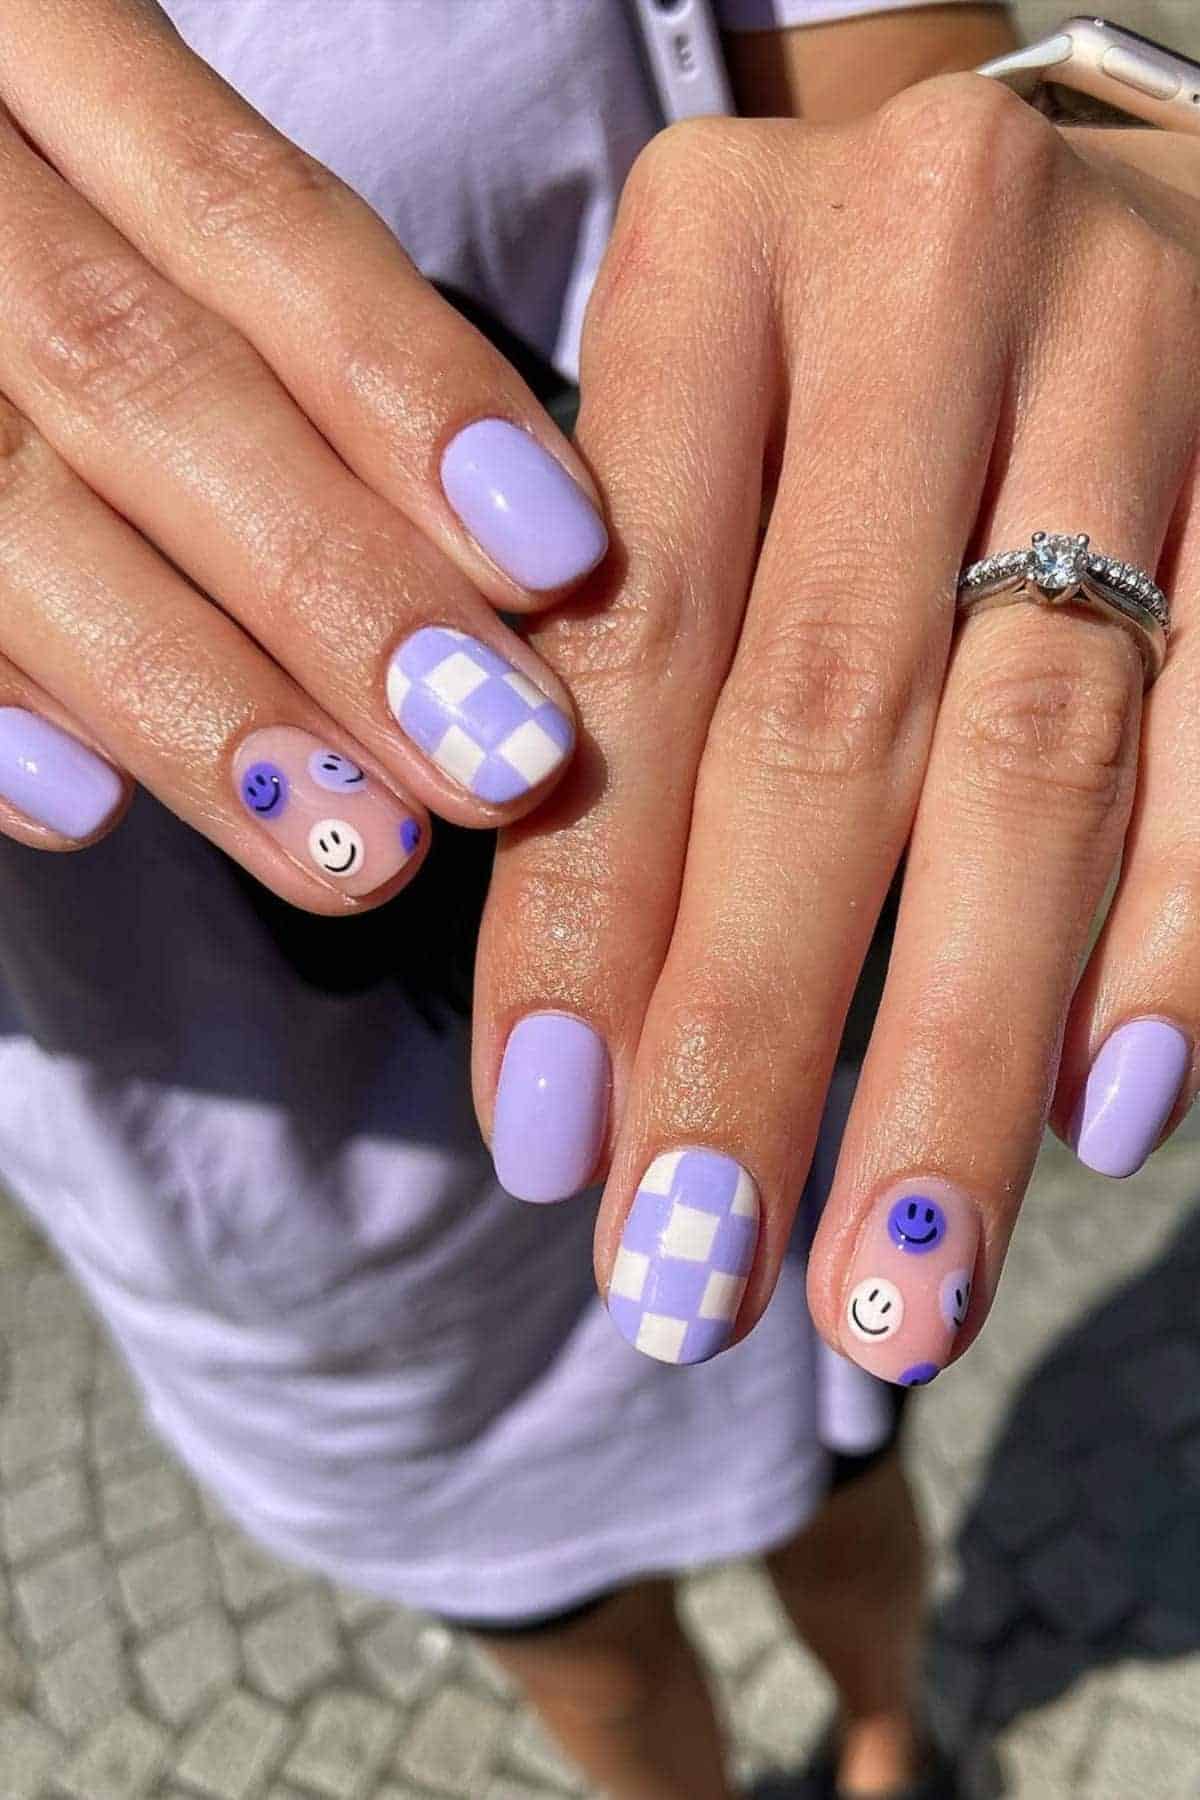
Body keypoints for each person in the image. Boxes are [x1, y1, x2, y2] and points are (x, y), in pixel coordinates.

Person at [0, 2, 1198, 1796]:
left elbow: (921, 153)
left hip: (774, 1004)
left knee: (856, 1523)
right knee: (601, 1680)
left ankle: (890, 1742)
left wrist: (1122, 206)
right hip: (289, 1217)